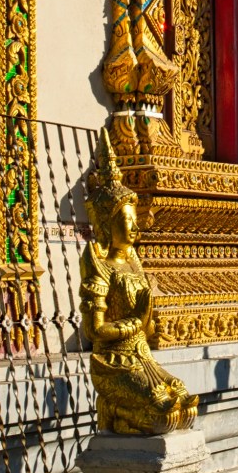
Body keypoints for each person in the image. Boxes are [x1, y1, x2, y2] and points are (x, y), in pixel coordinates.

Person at [79, 128, 198, 434]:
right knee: (162, 409)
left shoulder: (134, 264)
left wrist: (146, 320)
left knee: (182, 398)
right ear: (107, 224)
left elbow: (148, 328)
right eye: (126, 221)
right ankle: (116, 412)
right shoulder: (100, 267)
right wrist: (133, 322)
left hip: (141, 355)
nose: (134, 228)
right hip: (113, 363)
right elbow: (94, 329)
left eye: (134, 220)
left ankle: (126, 414)